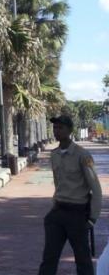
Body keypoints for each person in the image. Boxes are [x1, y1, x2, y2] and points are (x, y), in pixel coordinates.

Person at [38, 114, 102, 275]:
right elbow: (57, 182)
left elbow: (96, 188)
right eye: (55, 127)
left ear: (69, 130)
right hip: (58, 212)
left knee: (83, 260)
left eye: (60, 127)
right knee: (49, 258)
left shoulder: (83, 155)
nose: (56, 131)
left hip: (77, 214)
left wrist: (93, 218)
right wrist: (54, 205)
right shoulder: (54, 154)